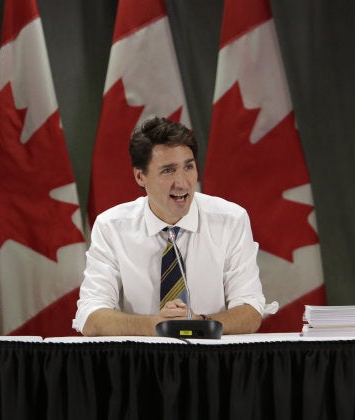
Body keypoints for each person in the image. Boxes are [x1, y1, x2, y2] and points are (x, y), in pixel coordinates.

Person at [73, 117, 277, 336]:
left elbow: (251, 311)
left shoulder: (230, 220)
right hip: (142, 361)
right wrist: (158, 325)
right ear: (140, 176)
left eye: (188, 167)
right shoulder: (111, 227)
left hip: (212, 359)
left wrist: (197, 323)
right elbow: (90, 316)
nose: (183, 182)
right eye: (168, 170)